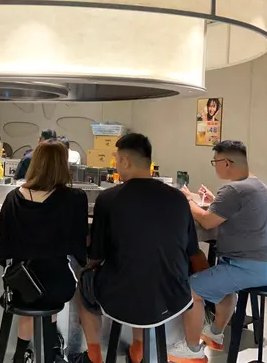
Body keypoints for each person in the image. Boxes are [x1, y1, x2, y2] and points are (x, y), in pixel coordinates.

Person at [76, 133, 199, 363]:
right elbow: (192, 250)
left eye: (116, 160)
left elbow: (96, 256)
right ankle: (138, 350)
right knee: (142, 276)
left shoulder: (108, 199)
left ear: (125, 161)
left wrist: (86, 268)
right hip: (172, 294)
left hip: (123, 296)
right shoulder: (179, 199)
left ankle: (94, 357)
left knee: (85, 283)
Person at [170, 141, 267, 361]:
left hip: (249, 268)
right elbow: (238, 211)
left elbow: (207, 221)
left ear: (227, 163)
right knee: (223, 282)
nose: (215, 166)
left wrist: (187, 200)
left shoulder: (233, 190)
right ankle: (215, 333)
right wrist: (215, 201)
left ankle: (191, 350)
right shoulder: (257, 184)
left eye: (215, 162)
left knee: (191, 290)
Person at [0, 139, 88, 363]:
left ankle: (20, 355)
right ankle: (51, 350)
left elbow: (2, 235)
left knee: (31, 297)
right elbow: (79, 241)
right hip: (58, 285)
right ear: (63, 165)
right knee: (50, 292)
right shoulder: (75, 199)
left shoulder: (13, 198)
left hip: (20, 283)